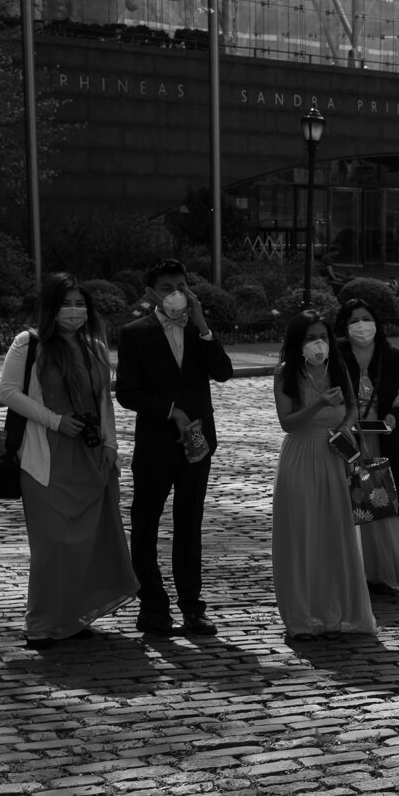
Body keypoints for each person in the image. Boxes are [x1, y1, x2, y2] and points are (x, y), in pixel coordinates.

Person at [0, 273, 140, 649]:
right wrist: (55, 420)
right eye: (66, 303)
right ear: (50, 307)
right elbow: (8, 392)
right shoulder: (29, 344)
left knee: (87, 543)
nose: (74, 312)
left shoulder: (94, 346)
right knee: (54, 544)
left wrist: (110, 445)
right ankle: (40, 623)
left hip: (90, 456)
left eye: (80, 304)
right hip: (46, 455)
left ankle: (73, 618)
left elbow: (104, 402)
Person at [115, 258, 233, 637]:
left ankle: (192, 606)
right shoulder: (135, 333)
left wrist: (202, 325)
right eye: (167, 288)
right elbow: (127, 393)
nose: (175, 294)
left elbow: (224, 372)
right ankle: (152, 605)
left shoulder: (200, 331)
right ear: (151, 293)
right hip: (155, 443)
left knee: (189, 524)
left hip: (198, 443)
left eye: (181, 286)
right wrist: (170, 412)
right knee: (145, 523)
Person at [271, 311, 376, 641]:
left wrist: (345, 429)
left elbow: (353, 409)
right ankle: (302, 616)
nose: (318, 344)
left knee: (336, 531)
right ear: (297, 342)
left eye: (323, 337)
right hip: (300, 456)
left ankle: (338, 611)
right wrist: (318, 405)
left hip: (334, 456)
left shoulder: (338, 368)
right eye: (310, 338)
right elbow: (287, 422)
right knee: (302, 533)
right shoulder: (286, 373)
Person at [331, 298, 399, 594]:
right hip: (350, 440)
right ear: (345, 327)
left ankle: (385, 570)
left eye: (366, 318)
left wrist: (395, 418)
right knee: (351, 502)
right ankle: (354, 571)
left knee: (384, 500)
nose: (361, 325)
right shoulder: (337, 358)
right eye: (354, 320)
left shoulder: (392, 356)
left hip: (385, 441)